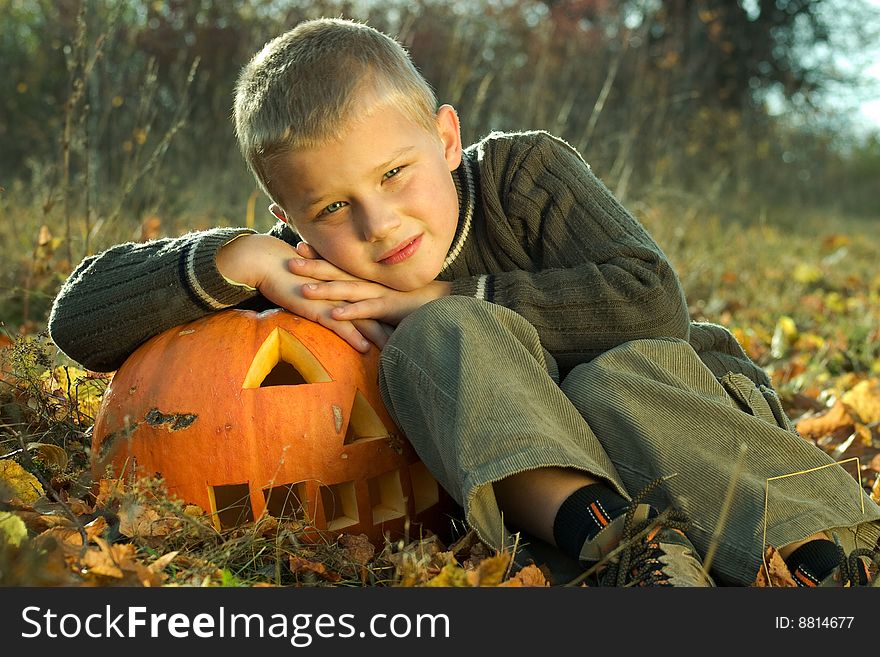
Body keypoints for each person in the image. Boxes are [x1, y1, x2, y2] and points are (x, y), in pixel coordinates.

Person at [48, 18, 880, 587]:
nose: (377, 224)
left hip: (706, 438)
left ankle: (822, 567)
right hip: (581, 512)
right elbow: (77, 321)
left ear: (445, 138)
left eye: (393, 174)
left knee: (605, 379)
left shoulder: (523, 177)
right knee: (439, 339)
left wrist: (438, 294)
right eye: (330, 209)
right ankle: (623, 556)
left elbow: (652, 299)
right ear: (290, 217)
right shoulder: (311, 272)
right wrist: (238, 258)